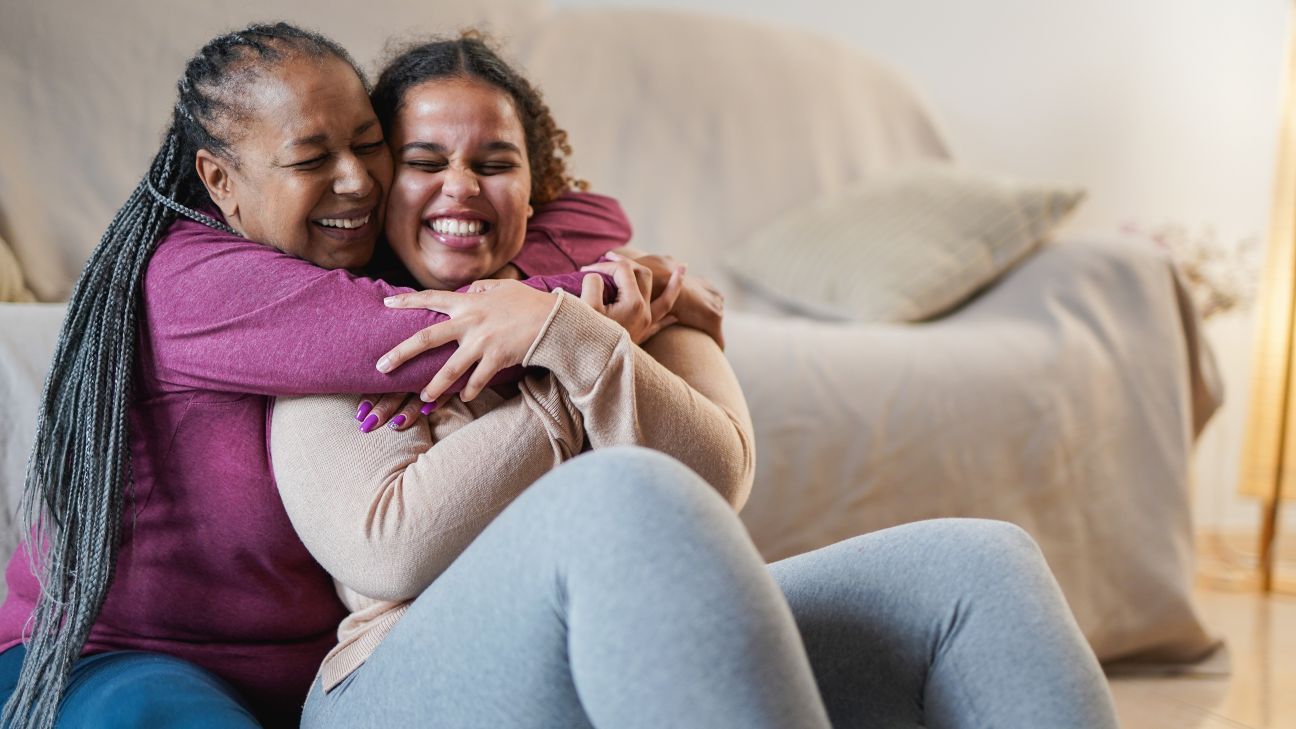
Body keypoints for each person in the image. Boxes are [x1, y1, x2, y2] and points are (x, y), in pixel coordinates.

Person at [270, 35, 1121, 728]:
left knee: (977, 564)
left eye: (495, 162)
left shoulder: (628, 296)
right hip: (403, 687)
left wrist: (572, 334)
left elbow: (718, 477)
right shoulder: (339, 325)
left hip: (637, 648)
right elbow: (389, 545)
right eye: (425, 160)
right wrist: (573, 364)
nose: (461, 186)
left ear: (536, 190)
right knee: (619, 490)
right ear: (381, 188)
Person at [0, 23, 639, 729]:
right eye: (311, 159)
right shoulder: (195, 281)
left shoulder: (343, 256)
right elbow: (437, 338)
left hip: (313, 684)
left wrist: (525, 282)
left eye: (371, 146)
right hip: (117, 664)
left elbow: (593, 214)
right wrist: (602, 300)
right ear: (220, 180)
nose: (358, 180)